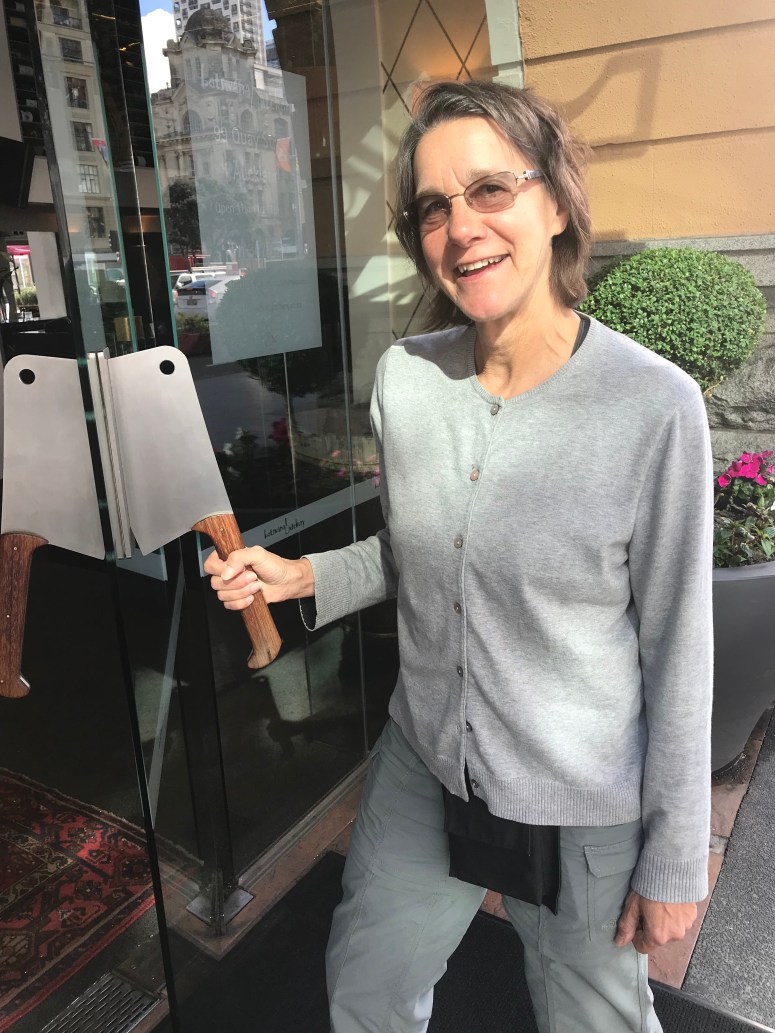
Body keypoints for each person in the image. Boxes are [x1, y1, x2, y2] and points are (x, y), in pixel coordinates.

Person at [205, 80, 713, 1033]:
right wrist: (306, 576)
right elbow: (420, 552)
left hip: (580, 793)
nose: (460, 227)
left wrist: (676, 857)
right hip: (426, 759)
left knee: (593, 1018)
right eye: (432, 207)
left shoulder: (650, 406)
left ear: (555, 203)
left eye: (489, 189)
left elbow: (680, 647)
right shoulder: (407, 379)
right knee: (365, 984)